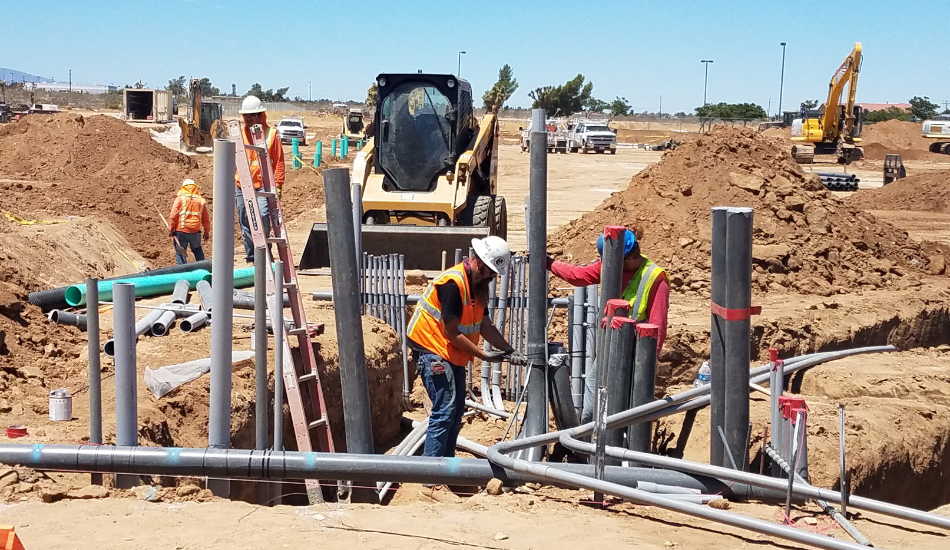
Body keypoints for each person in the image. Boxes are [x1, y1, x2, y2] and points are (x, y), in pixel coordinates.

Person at [407, 236, 524, 459]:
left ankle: (447, 470)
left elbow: (484, 325)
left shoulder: (477, 286)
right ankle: (429, 477)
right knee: (444, 411)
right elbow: (451, 331)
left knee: (456, 409)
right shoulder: (453, 284)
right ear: (479, 262)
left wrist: (509, 350)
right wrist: (484, 355)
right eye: (490, 271)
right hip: (431, 348)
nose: (492, 277)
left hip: (451, 351)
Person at [546, 229, 669, 423]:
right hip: (607, 348)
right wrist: (549, 263)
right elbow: (578, 275)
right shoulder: (611, 265)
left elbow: (658, 327)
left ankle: (620, 449)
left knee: (625, 412)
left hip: (635, 354)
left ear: (627, 259)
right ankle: (586, 447)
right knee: (591, 409)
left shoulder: (654, 278)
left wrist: (646, 367)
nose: (605, 265)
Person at [235, 95, 285, 263]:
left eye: (254, 115)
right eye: (247, 116)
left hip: (264, 185)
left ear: (261, 115)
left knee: (263, 217)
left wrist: (278, 184)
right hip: (242, 184)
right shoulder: (239, 134)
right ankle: (252, 256)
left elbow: (278, 161)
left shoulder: (271, 135)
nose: (250, 119)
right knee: (245, 219)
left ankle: (263, 250)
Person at [168, 178, 210, 264]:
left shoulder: (180, 198)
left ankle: (183, 273)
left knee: (180, 253)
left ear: (183, 187)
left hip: (181, 231)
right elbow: (206, 219)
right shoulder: (201, 201)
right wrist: (207, 231)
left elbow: (173, 214)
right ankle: (203, 269)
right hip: (195, 231)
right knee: (197, 249)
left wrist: (171, 229)